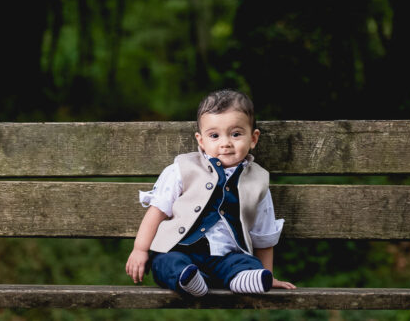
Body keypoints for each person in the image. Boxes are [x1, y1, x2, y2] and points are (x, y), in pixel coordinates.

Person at [125, 89, 295, 295]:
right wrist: (140, 249)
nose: (226, 143)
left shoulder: (257, 181)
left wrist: (267, 273)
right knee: (165, 261)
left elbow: (263, 234)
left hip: (228, 256)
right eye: (214, 135)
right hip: (182, 250)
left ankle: (244, 279)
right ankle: (189, 280)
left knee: (244, 263)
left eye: (236, 134)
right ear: (201, 140)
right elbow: (157, 210)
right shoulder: (182, 169)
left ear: (253, 138)